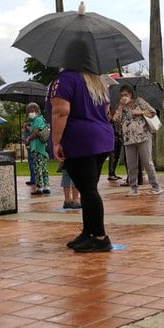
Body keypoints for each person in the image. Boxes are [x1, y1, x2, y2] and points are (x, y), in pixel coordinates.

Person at [50, 39, 115, 252]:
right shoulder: (97, 80)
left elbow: (61, 111)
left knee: (88, 189)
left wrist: (56, 141)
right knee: (89, 188)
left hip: (81, 139)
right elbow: (106, 111)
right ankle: (88, 231)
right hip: (102, 137)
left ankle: (99, 236)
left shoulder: (65, 79)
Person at [113, 85, 162, 196]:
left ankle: (156, 186)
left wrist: (139, 112)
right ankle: (133, 188)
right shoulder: (121, 106)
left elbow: (152, 112)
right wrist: (120, 106)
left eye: (125, 94)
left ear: (131, 94)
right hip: (128, 139)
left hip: (143, 136)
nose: (124, 97)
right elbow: (116, 120)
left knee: (147, 162)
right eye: (121, 95)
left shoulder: (139, 101)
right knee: (131, 165)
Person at [24, 102, 50, 196]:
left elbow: (36, 132)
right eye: (29, 111)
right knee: (43, 167)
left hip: (38, 147)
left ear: (36, 111)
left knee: (38, 167)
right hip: (38, 148)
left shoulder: (38, 119)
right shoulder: (34, 121)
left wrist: (28, 139)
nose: (30, 113)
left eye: (32, 111)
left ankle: (40, 187)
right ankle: (46, 186)